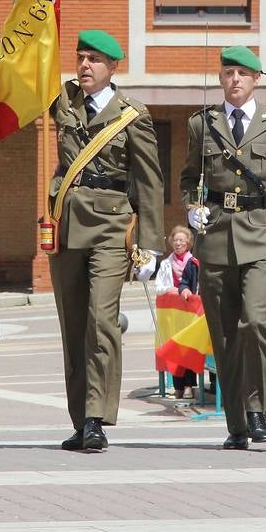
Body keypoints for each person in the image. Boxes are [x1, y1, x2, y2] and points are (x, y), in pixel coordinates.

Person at [180, 46, 266, 450]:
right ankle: (236, 424)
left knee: (254, 321)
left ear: (256, 79)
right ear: (220, 79)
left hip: (263, 234)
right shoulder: (202, 125)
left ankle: (259, 410)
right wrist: (192, 207)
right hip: (215, 237)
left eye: (242, 74)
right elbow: (187, 179)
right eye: (228, 73)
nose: (234, 80)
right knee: (225, 336)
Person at [48, 29, 163, 451]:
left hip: (112, 226)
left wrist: (150, 243)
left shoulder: (132, 114)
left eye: (94, 60)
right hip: (66, 226)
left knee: (101, 319)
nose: (84, 66)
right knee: (73, 325)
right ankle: (80, 420)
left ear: (113, 67)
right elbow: (29, 80)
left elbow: (150, 183)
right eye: (80, 58)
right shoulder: (63, 102)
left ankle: (97, 417)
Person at [156, 225, 198, 398]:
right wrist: (169, 289)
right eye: (175, 240)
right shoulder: (166, 263)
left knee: (188, 349)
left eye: (182, 240)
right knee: (174, 349)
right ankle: (178, 386)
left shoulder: (194, 262)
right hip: (172, 314)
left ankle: (189, 385)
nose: (178, 243)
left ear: (188, 243)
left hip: (190, 314)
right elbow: (158, 287)